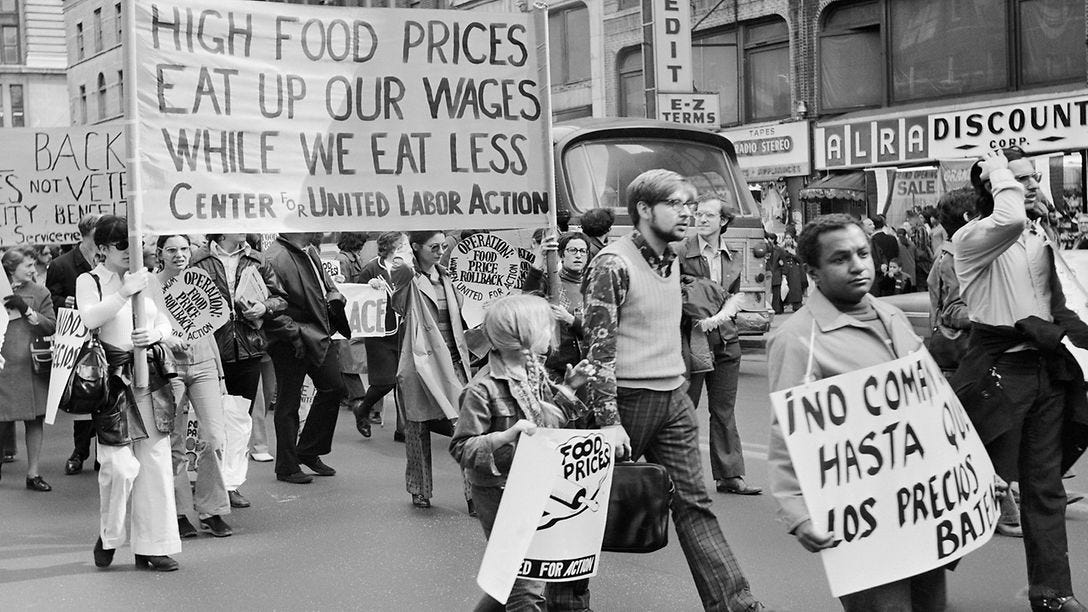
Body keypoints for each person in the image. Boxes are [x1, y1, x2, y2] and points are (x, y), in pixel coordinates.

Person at [575, 169, 765, 612]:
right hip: (627, 400)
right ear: (644, 209)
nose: (687, 214)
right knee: (584, 507)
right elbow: (598, 351)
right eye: (675, 204)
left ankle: (737, 605)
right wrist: (609, 423)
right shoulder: (612, 264)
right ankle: (565, 600)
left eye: (690, 205)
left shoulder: (671, 258)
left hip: (673, 397)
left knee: (695, 504)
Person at [767, 213, 947, 609]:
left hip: (920, 507)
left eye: (863, 253)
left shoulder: (892, 317)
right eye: (840, 258)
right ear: (813, 272)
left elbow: (935, 403)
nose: (857, 265)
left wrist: (975, 469)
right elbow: (788, 434)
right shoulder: (797, 339)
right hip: (861, 514)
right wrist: (798, 513)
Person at [951, 149, 1088, 612]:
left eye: (1033, 177)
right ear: (992, 185)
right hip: (997, 376)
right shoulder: (973, 237)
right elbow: (1007, 218)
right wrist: (995, 168)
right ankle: (911, 578)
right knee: (954, 486)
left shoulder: (1037, 235)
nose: (1030, 185)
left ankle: (1052, 593)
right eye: (1019, 178)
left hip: (1044, 372)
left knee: (1045, 487)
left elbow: (1057, 302)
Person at [450, 294, 595, 612]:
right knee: (525, 585)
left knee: (514, 578)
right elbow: (461, 447)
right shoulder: (481, 389)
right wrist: (504, 437)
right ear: (524, 336)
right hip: (499, 492)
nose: (552, 334)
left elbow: (547, 425)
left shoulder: (535, 375)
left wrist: (569, 389)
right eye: (546, 328)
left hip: (533, 484)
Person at [78, 215, 181, 572]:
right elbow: (89, 319)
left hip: (149, 376)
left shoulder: (147, 279)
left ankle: (153, 545)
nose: (128, 251)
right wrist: (123, 292)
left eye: (133, 245)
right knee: (118, 467)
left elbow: (164, 322)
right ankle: (109, 535)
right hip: (113, 380)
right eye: (121, 245)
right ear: (103, 248)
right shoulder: (90, 280)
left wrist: (154, 335)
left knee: (154, 463)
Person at [191, 233, 288, 504]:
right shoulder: (198, 260)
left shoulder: (257, 259)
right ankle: (207, 481)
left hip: (248, 348)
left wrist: (264, 307)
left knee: (239, 421)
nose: (244, 227)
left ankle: (230, 484)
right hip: (210, 351)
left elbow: (280, 298)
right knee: (211, 423)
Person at [677, 192, 760, 496]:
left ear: (723, 221)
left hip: (726, 340)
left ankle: (730, 475)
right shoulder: (680, 251)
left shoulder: (732, 256)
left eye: (708, 215)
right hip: (692, 340)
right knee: (683, 410)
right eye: (698, 214)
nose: (701, 219)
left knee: (724, 410)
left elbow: (732, 298)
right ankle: (676, 477)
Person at [154, 235, 232, 538]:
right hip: (169, 368)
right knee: (172, 442)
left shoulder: (199, 279)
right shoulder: (151, 286)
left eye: (184, 249)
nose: (179, 255)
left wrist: (219, 372)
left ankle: (211, 509)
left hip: (204, 366)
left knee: (214, 437)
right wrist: (167, 340)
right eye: (172, 250)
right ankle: (176, 513)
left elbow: (208, 328)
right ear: (160, 253)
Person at [390, 230, 474, 510]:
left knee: (467, 428)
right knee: (417, 428)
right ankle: (419, 489)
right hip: (420, 364)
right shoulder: (408, 277)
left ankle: (474, 495)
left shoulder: (447, 277)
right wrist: (406, 246)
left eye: (443, 246)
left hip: (452, 361)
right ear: (416, 247)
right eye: (433, 247)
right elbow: (400, 269)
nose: (440, 251)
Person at [264, 232, 347, 484]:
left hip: (317, 334)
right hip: (292, 339)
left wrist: (335, 297)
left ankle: (308, 450)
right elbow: (271, 306)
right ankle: (287, 466)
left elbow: (324, 287)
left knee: (334, 387)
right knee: (288, 402)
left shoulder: (309, 251)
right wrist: (294, 335)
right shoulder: (275, 257)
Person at [45, 212, 101, 476]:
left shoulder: (110, 259)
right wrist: (63, 301)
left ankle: (103, 451)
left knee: (107, 394)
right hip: (77, 338)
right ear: (90, 233)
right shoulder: (61, 264)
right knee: (83, 393)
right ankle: (80, 451)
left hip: (105, 335)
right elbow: (49, 299)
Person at [0, 246, 56, 490]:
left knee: (35, 420)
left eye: (34, 265)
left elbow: (51, 326)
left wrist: (27, 310)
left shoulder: (40, 292)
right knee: (1, 420)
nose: (34, 270)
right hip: (4, 363)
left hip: (31, 363)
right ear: (11, 268)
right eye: (28, 265)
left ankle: (33, 473)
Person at [353, 231, 405, 436]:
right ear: (392, 247)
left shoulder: (407, 268)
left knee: (404, 382)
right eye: (403, 244)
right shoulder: (372, 268)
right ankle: (363, 408)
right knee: (385, 382)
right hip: (380, 335)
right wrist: (370, 288)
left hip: (404, 332)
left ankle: (403, 429)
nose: (406, 248)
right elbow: (358, 297)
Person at [522, 232, 590, 380]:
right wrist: (539, 260)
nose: (578, 255)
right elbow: (527, 301)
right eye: (572, 250)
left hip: (584, 368)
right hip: (553, 368)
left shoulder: (593, 286)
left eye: (583, 251)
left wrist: (570, 319)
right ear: (561, 255)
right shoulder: (551, 283)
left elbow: (598, 331)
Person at [334, 232, 369, 428]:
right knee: (347, 358)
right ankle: (358, 399)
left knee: (348, 358)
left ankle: (353, 397)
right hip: (348, 314)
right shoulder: (343, 260)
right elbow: (345, 288)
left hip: (356, 313)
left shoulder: (353, 258)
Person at [907, 208, 933, 290]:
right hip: (919, 261)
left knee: (923, 283)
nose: (910, 224)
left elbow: (922, 246)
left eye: (910, 222)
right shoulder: (915, 230)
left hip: (923, 261)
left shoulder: (921, 230)